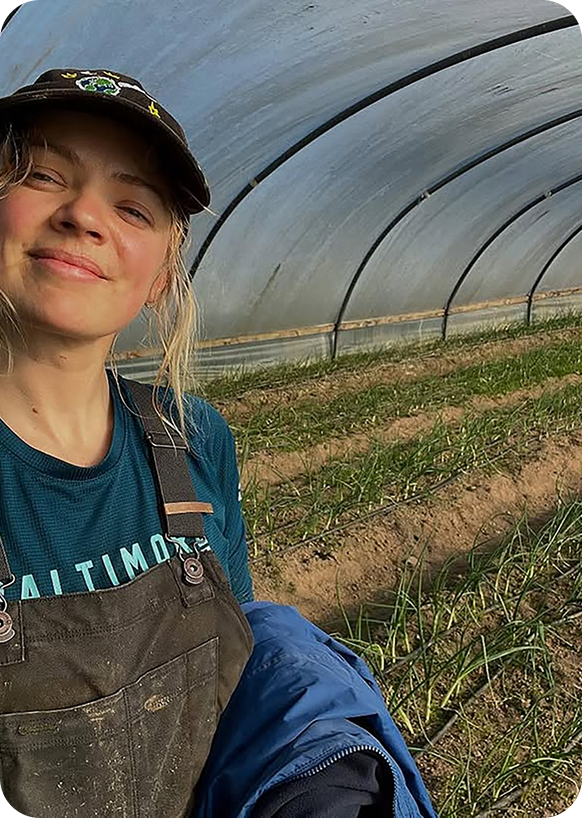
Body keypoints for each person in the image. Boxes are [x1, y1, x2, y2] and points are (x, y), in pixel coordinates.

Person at [0, 67, 438, 818]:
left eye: (133, 207)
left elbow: (232, 685)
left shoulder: (193, 439)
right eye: (42, 175)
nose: (84, 216)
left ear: (163, 274)